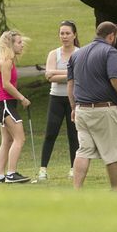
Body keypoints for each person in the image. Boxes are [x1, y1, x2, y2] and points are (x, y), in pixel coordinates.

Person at [67, 21, 117, 191]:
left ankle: (77, 191)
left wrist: (73, 107)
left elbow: (70, 84)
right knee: (112, 151)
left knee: (83, 151)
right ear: (111, 36)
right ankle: (116, 189)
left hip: (81, 110)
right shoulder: (110, 51)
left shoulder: (77, 54)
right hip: (104, 109)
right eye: (115, 36)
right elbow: (115, 78)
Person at [38, 20, 80, 181]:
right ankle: (43, 169)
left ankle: (73, 168)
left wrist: (57, 73)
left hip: (74, 100)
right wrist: (70, 74)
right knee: (51, 133)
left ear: (74, 35)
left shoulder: (79, 53)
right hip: (55, 98)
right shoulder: (53, 54)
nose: (64, 36)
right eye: (62, 33)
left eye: (67, 33)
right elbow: (49, 77)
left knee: (73, 134)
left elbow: (78, 76)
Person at [0, 30, 32, 184]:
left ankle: (0, 176)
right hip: (6, 104)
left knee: (7, 141)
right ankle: (11, 174)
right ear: (10, 44)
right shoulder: (7, 61)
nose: (22, 45)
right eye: (18, 42)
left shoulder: (3, 59)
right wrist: (22, 98)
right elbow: (6, 85)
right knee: (20, 139)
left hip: (3, 104)